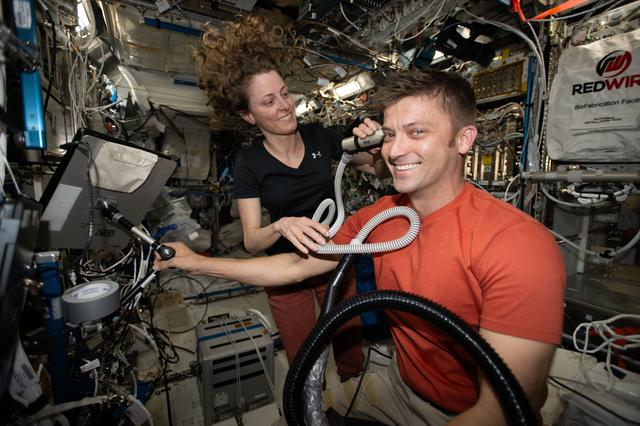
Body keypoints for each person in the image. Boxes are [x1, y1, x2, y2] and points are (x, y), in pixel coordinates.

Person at [155, 69, 566, 425]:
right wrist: (195, 263)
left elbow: (503, 408)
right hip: (401, 385)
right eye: (391, 134)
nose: (396, 150)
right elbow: (292, 267)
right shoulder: (382, 219)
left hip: (472, 411)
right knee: (299, 413)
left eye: (417, 132)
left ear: (463, 139)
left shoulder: (518, 244)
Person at [192, 16, 384, 381]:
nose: (284, 105)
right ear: (249, 115)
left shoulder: (320, 136)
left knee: (349, 343)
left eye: (284, 93)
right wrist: (281, 225)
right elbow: (252, 240)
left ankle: (354, 398)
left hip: (331, 258)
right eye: (269, 101)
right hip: (284, 271)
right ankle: (309, 404)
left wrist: (375, 144)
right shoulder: (250, 163)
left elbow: (377, 169)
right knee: (304, 357)